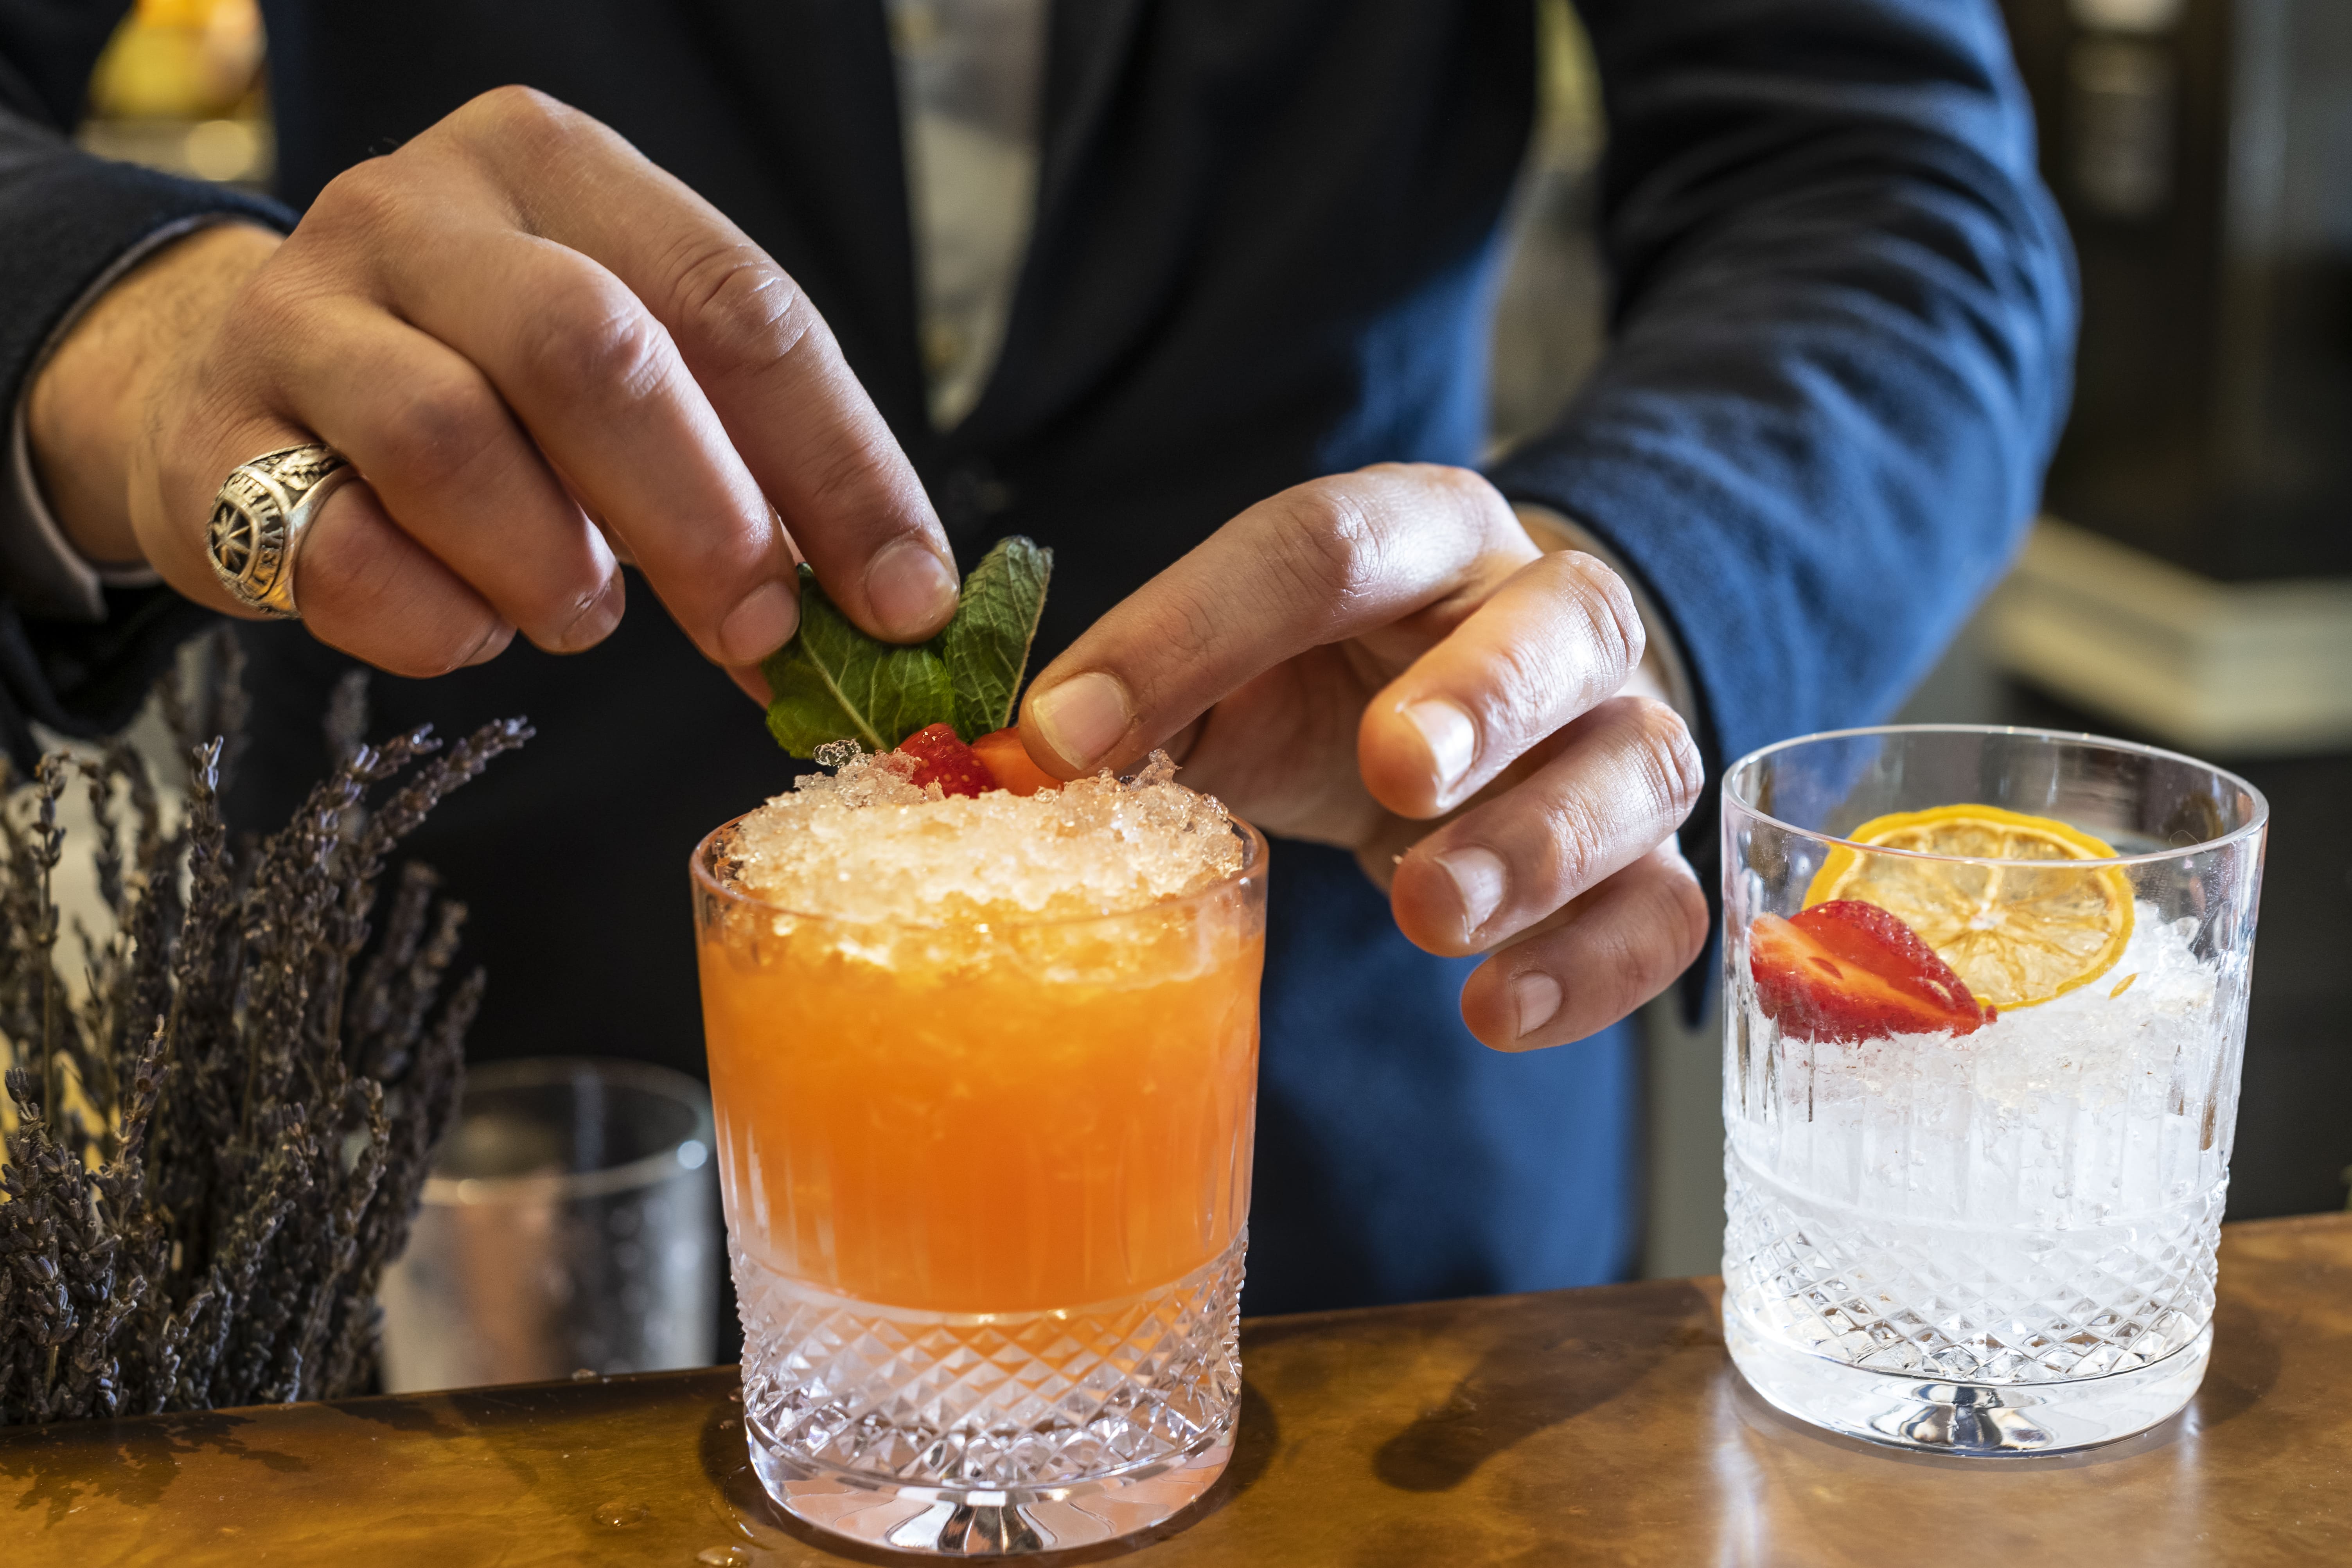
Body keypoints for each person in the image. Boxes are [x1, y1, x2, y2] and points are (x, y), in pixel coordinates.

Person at [0, 0, 2073, 1313]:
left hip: (1360, 1202)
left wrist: (1614, 579)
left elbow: (1894, 188)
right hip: (448, 1195)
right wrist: (137, 322)